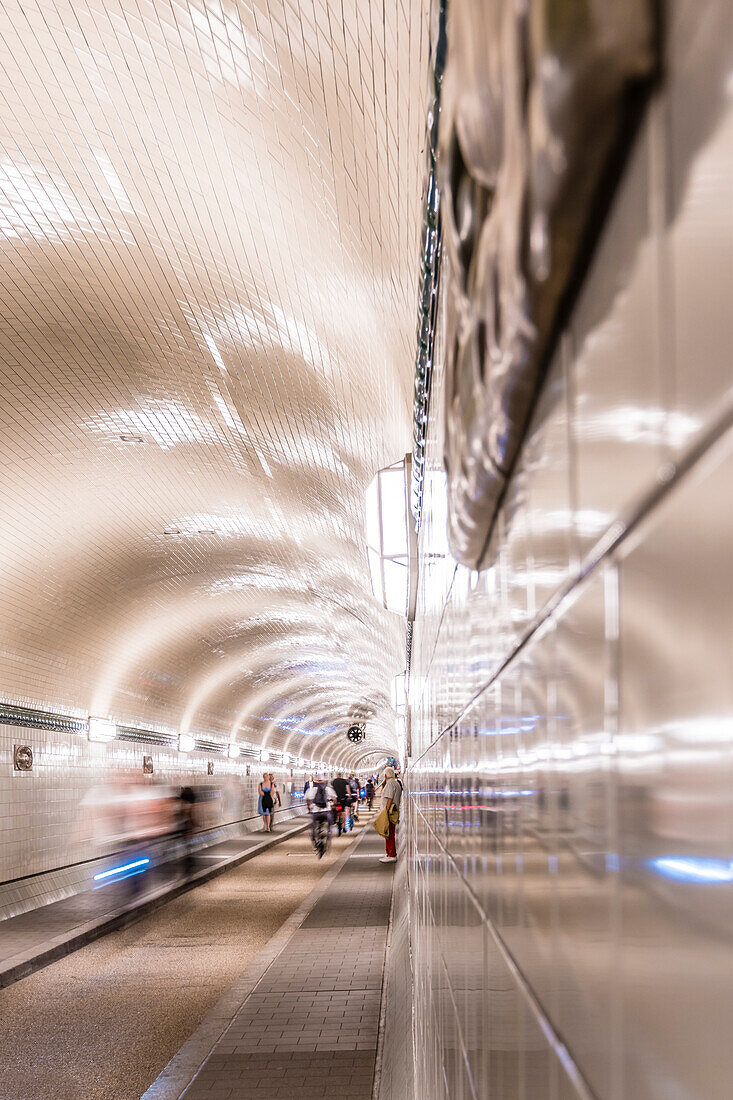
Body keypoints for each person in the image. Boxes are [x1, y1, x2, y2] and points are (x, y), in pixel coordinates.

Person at [306, 774, 336, 856]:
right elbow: (334, 799)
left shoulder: (311, 790)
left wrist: (309, 808)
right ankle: (329, 836)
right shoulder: (329, 789)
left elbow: (308, 800)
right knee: (330, 823)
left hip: (315, 813)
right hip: (326, 812)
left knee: (313, 825)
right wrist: (333, 806)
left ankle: (314, 839)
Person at [379, 766, 402, 863]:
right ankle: (389, 853)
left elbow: (389, 798)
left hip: (389, 811)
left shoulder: (389, 784)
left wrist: (386, 811)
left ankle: (391, 854)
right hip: (394, 810)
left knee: (389, 833)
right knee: (390, 832)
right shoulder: (396, 783)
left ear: (385, 775)